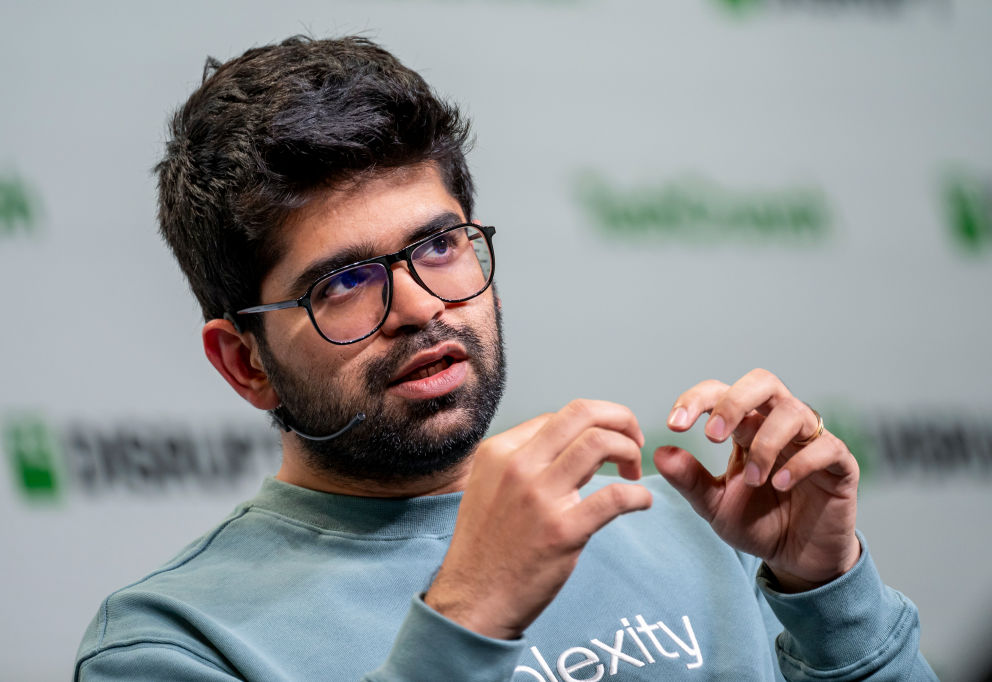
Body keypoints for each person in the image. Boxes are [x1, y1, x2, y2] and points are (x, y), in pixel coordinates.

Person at [75, 35, 937, 681]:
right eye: (344, 281)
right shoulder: (173, 641)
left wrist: (828, 595)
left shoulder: (679, 517)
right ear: (244, 362)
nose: (418, 306)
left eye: (441, 244)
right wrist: (468, 615)